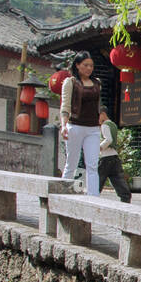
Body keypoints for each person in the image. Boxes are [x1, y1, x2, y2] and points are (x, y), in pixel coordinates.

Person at [59, 52, 102, 197]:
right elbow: (65, 106)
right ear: (77, 65)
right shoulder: (70, 82)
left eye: (91, 65)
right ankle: (63, 193)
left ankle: (93, 197)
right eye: (85, 65)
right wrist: (64, 125)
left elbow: (99, 105)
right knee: (71, 162)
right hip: (75, 125)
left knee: (92, 165)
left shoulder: (97, 83)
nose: (89, 68)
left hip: (93, 128)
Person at [97, 108, 132, 203]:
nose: (97, 119)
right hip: (114, 157)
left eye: (98, 116)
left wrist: (99, 148)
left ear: (103, 114)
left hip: (105, 157)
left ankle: (92, 199)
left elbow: (108, 139)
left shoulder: (105, 125)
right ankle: (126, 199)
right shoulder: (113, 125)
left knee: (97, 182)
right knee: (118, 181)